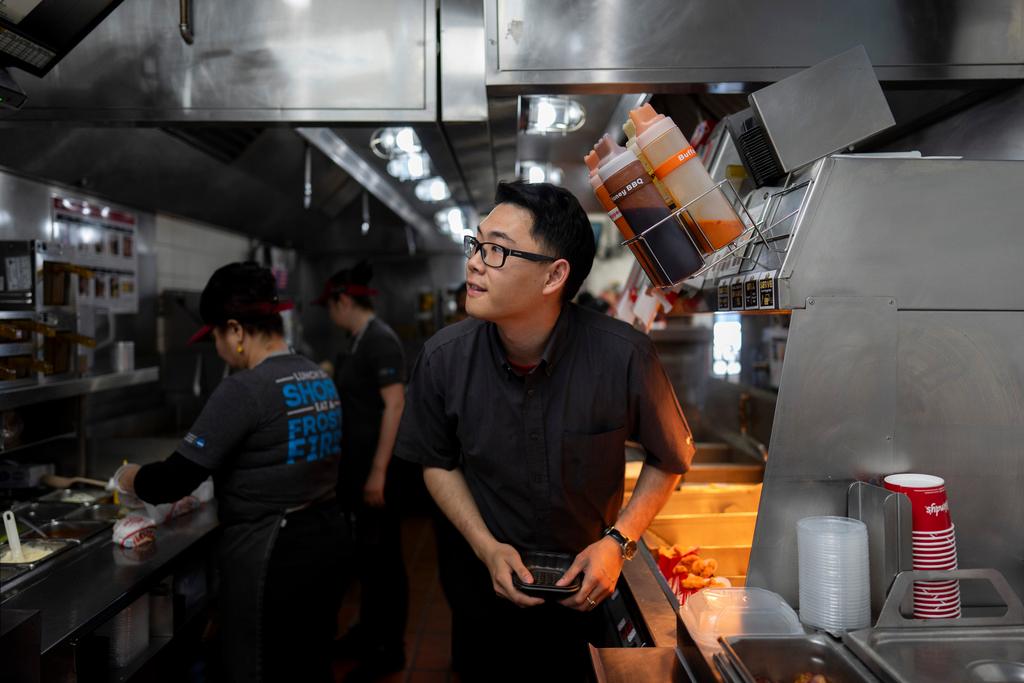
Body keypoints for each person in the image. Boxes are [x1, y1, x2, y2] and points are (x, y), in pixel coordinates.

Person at [394, 181, 695, 682]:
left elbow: (671, 457)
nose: (474, 262)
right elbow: (435, 460)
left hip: (587, 601)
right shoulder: (444, 359)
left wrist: (618, 541)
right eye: (477, 244)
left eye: (496, 251)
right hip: (483, 597)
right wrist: (486, 546)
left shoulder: (623, 357)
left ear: (555, 275)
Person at [113, 262, 344, 683]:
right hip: (326, 539)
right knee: (308, 662)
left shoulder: (244, 389)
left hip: (270, 552)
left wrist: (127, 478)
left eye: (216, 336)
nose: (217, 347)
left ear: (236, 331)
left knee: (258, 668)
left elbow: (173, 480)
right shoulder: (316, 376)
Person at [314, 261, 409, 681]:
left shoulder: (380, 341)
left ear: (342, 301)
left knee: (383, 562)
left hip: (379, 472)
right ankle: (368, 633)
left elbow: (395, 405)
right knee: (369, 560)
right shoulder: (357, 340)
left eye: (330, 306)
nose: (329, 315)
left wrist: (378, 471)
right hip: (357, 470)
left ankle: (388, 650)